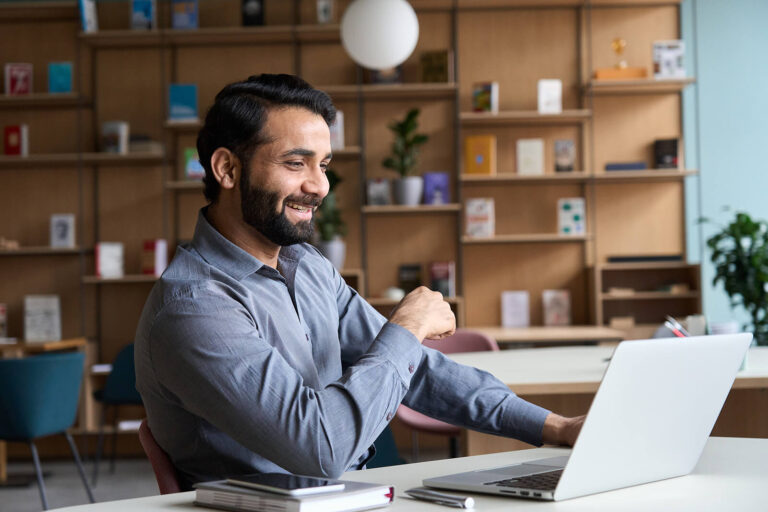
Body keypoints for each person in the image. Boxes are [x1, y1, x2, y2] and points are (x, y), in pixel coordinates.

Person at [134, 74, 584, 490]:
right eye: (296, 163)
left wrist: (556, 428)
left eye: (323, 165)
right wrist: (406, 327)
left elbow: (417, 372)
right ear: (227, 170)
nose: (319, 186)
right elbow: (321, 448)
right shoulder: (194, 306)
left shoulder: (306, 266)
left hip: (351, 494)